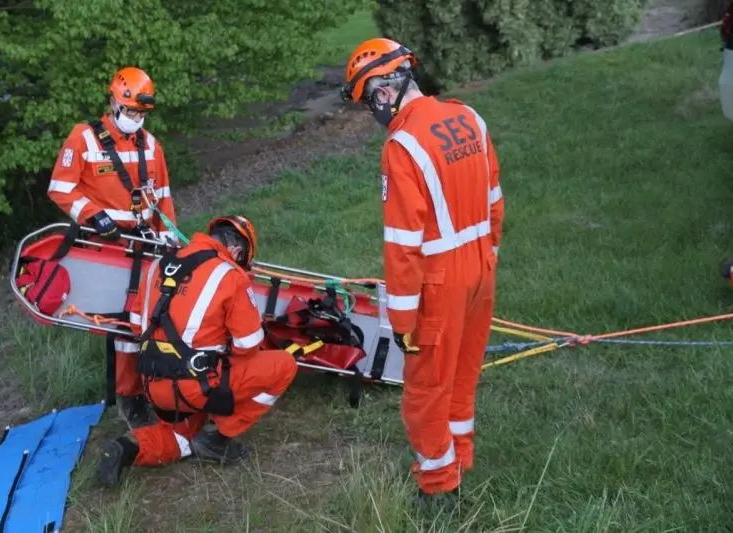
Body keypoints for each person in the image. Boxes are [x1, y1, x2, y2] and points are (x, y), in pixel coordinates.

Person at [341, 38, 505, 502]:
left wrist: (403, 322)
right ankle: (460, 457)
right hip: (480, 268)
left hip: (440, 279)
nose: (371, 112)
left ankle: (438, 487)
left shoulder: (402, 145)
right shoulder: (469, 116)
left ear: (383, 89)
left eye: (367, 99)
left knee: (426, 389)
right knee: (462, 372)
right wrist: (487, 254)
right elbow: (495, 201)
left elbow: (403, 247)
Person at [97, 215, 298, 486]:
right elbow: (248, 345)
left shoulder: (157, 265)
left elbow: (135, 327)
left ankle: (126, 448)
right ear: (238, 251)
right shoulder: (229, 274)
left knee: (182, 437)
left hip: (154, 385)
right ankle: (221, 436)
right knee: (284, 365)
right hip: (197, 386)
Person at [46, 66, 178, 428]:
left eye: (141, 114)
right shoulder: (84, 138)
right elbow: (60, 188)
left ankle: (154, 388)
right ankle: (128, 396)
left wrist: (168, 235)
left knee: (148, 319)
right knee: (122, 324)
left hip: (146, 244)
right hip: (106, 245)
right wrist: (93, 216)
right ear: (113, 103)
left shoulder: (151, 145)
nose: (136, 119)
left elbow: (163, 198)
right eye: (131, 111)